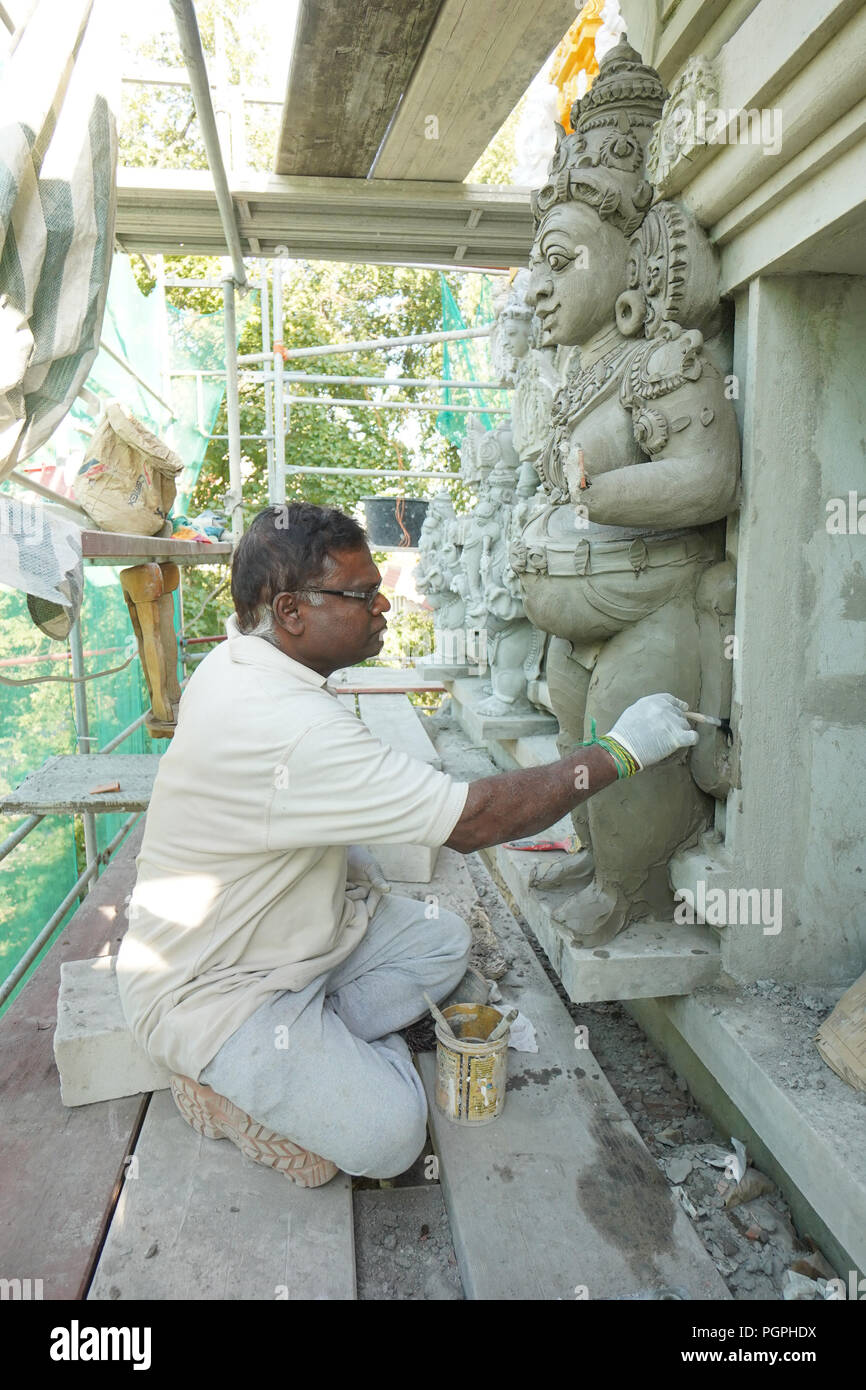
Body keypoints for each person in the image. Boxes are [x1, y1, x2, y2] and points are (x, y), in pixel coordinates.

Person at [116, 502, 698, 1187]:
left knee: (444, 941)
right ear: (292, 611)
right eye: (362, 595)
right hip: (212, 989)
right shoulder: (290, 724)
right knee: (393, 1135)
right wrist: (620, 751)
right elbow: (476, 820)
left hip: (293, 939)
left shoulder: (241, 661)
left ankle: (314, 1051)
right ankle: (234, 1088)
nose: (385, 603)